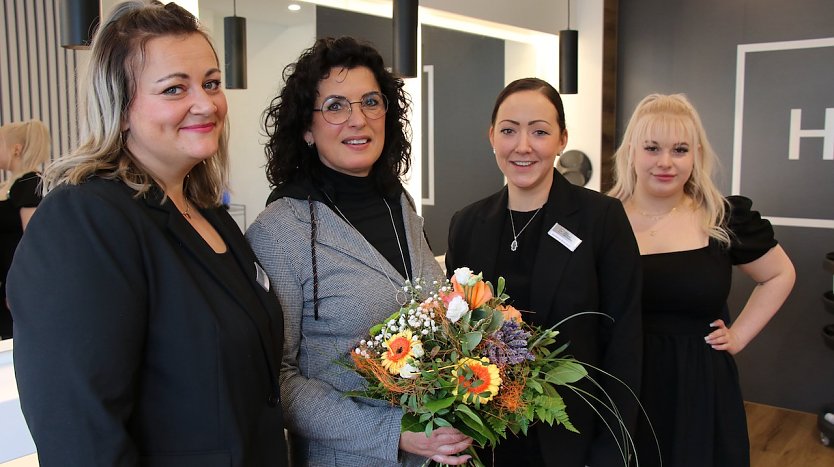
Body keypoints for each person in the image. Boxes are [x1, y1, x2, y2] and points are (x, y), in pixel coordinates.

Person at [7, 2, 287, 466]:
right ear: (118, 110)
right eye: (175, 88)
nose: (206, 103)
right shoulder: (85, 220)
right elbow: (81, 435)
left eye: (211, 83)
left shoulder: (206, 212)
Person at [246, 36, 472, 467]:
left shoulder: (400, 204)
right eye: (335, 106)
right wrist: (396, 435)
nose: (358, 119)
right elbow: (279, 378)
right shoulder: (280, 232)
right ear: (307, 130)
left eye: (371, 101)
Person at [445, 77, 643, 466]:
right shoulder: (467, 224)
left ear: (561, 139)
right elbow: (453, 338)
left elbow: (625, 343)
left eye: (539, 131)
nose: (523, 146)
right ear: (491, 137)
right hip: (486, 441)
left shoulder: (601, 219)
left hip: (573, 437)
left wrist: (611, 451)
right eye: (509, 131)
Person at [609, 93, 796, 466]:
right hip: (625, 379)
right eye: (652, 148)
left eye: (679, 150)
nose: (665, 162)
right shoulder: (601, 218)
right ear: (631, 151)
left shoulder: (722, 217)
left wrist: (739, 335)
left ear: (695, 154)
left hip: (700, 382)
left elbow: (779, 274)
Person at [0, 119, 49, 339]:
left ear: (16, 149)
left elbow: (32, 241)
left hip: (16, 281)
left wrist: (18, 284)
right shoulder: (12, 185)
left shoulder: (29, 184)